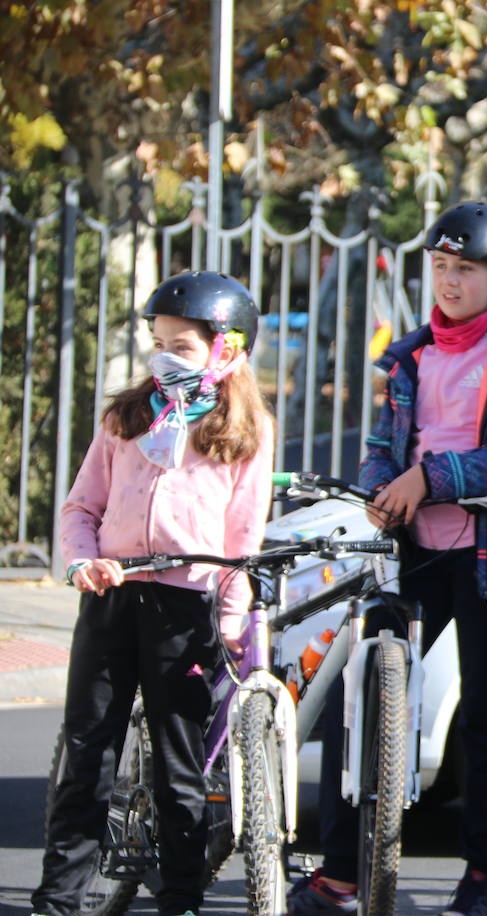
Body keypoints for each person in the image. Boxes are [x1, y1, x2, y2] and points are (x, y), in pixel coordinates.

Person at [287, 202, 487, 916]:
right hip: (412, 548)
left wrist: (434, 479)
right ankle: (344, 866)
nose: (449, 282)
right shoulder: (412, 355)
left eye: (467, 270)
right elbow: (387, 445)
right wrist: (379, 488)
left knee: (485, 707)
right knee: (363, 693)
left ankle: (484, 874)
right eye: (440, 267)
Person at [31, 272, 273, 916]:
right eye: (158, 343)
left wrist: (228, 618)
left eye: (183, 347)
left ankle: (181, 896)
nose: (166, 357)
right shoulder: (127, 417)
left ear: (227, 350)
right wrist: (84, 561)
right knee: (88, 755)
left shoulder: (243, 432)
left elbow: (241, 540)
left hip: (185, 604)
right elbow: (82, 506)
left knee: (180, 763)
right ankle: (59, 897)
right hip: (113, 596)